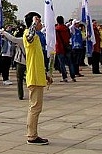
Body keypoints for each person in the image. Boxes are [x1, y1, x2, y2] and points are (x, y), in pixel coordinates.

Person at [22, 11, 52, 145]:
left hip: (38, 76)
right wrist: (34, 23)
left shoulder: (37, 37)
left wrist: (45, 74)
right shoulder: (29, 34)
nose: (41, 24)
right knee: (35, 108)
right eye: (39, 21)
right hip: (34, 77)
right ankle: (32, 136)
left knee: (36, 107)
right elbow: (29, 37)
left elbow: (38, 59)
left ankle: (32, 134)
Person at [54, 16, 75, 82]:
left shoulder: (56, 29)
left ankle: (64, 77)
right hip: (67, 47)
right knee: (70, 63)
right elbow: (69, 36)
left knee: (62, 64)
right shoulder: (66, 28)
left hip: (59, 48)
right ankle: (73, 76)